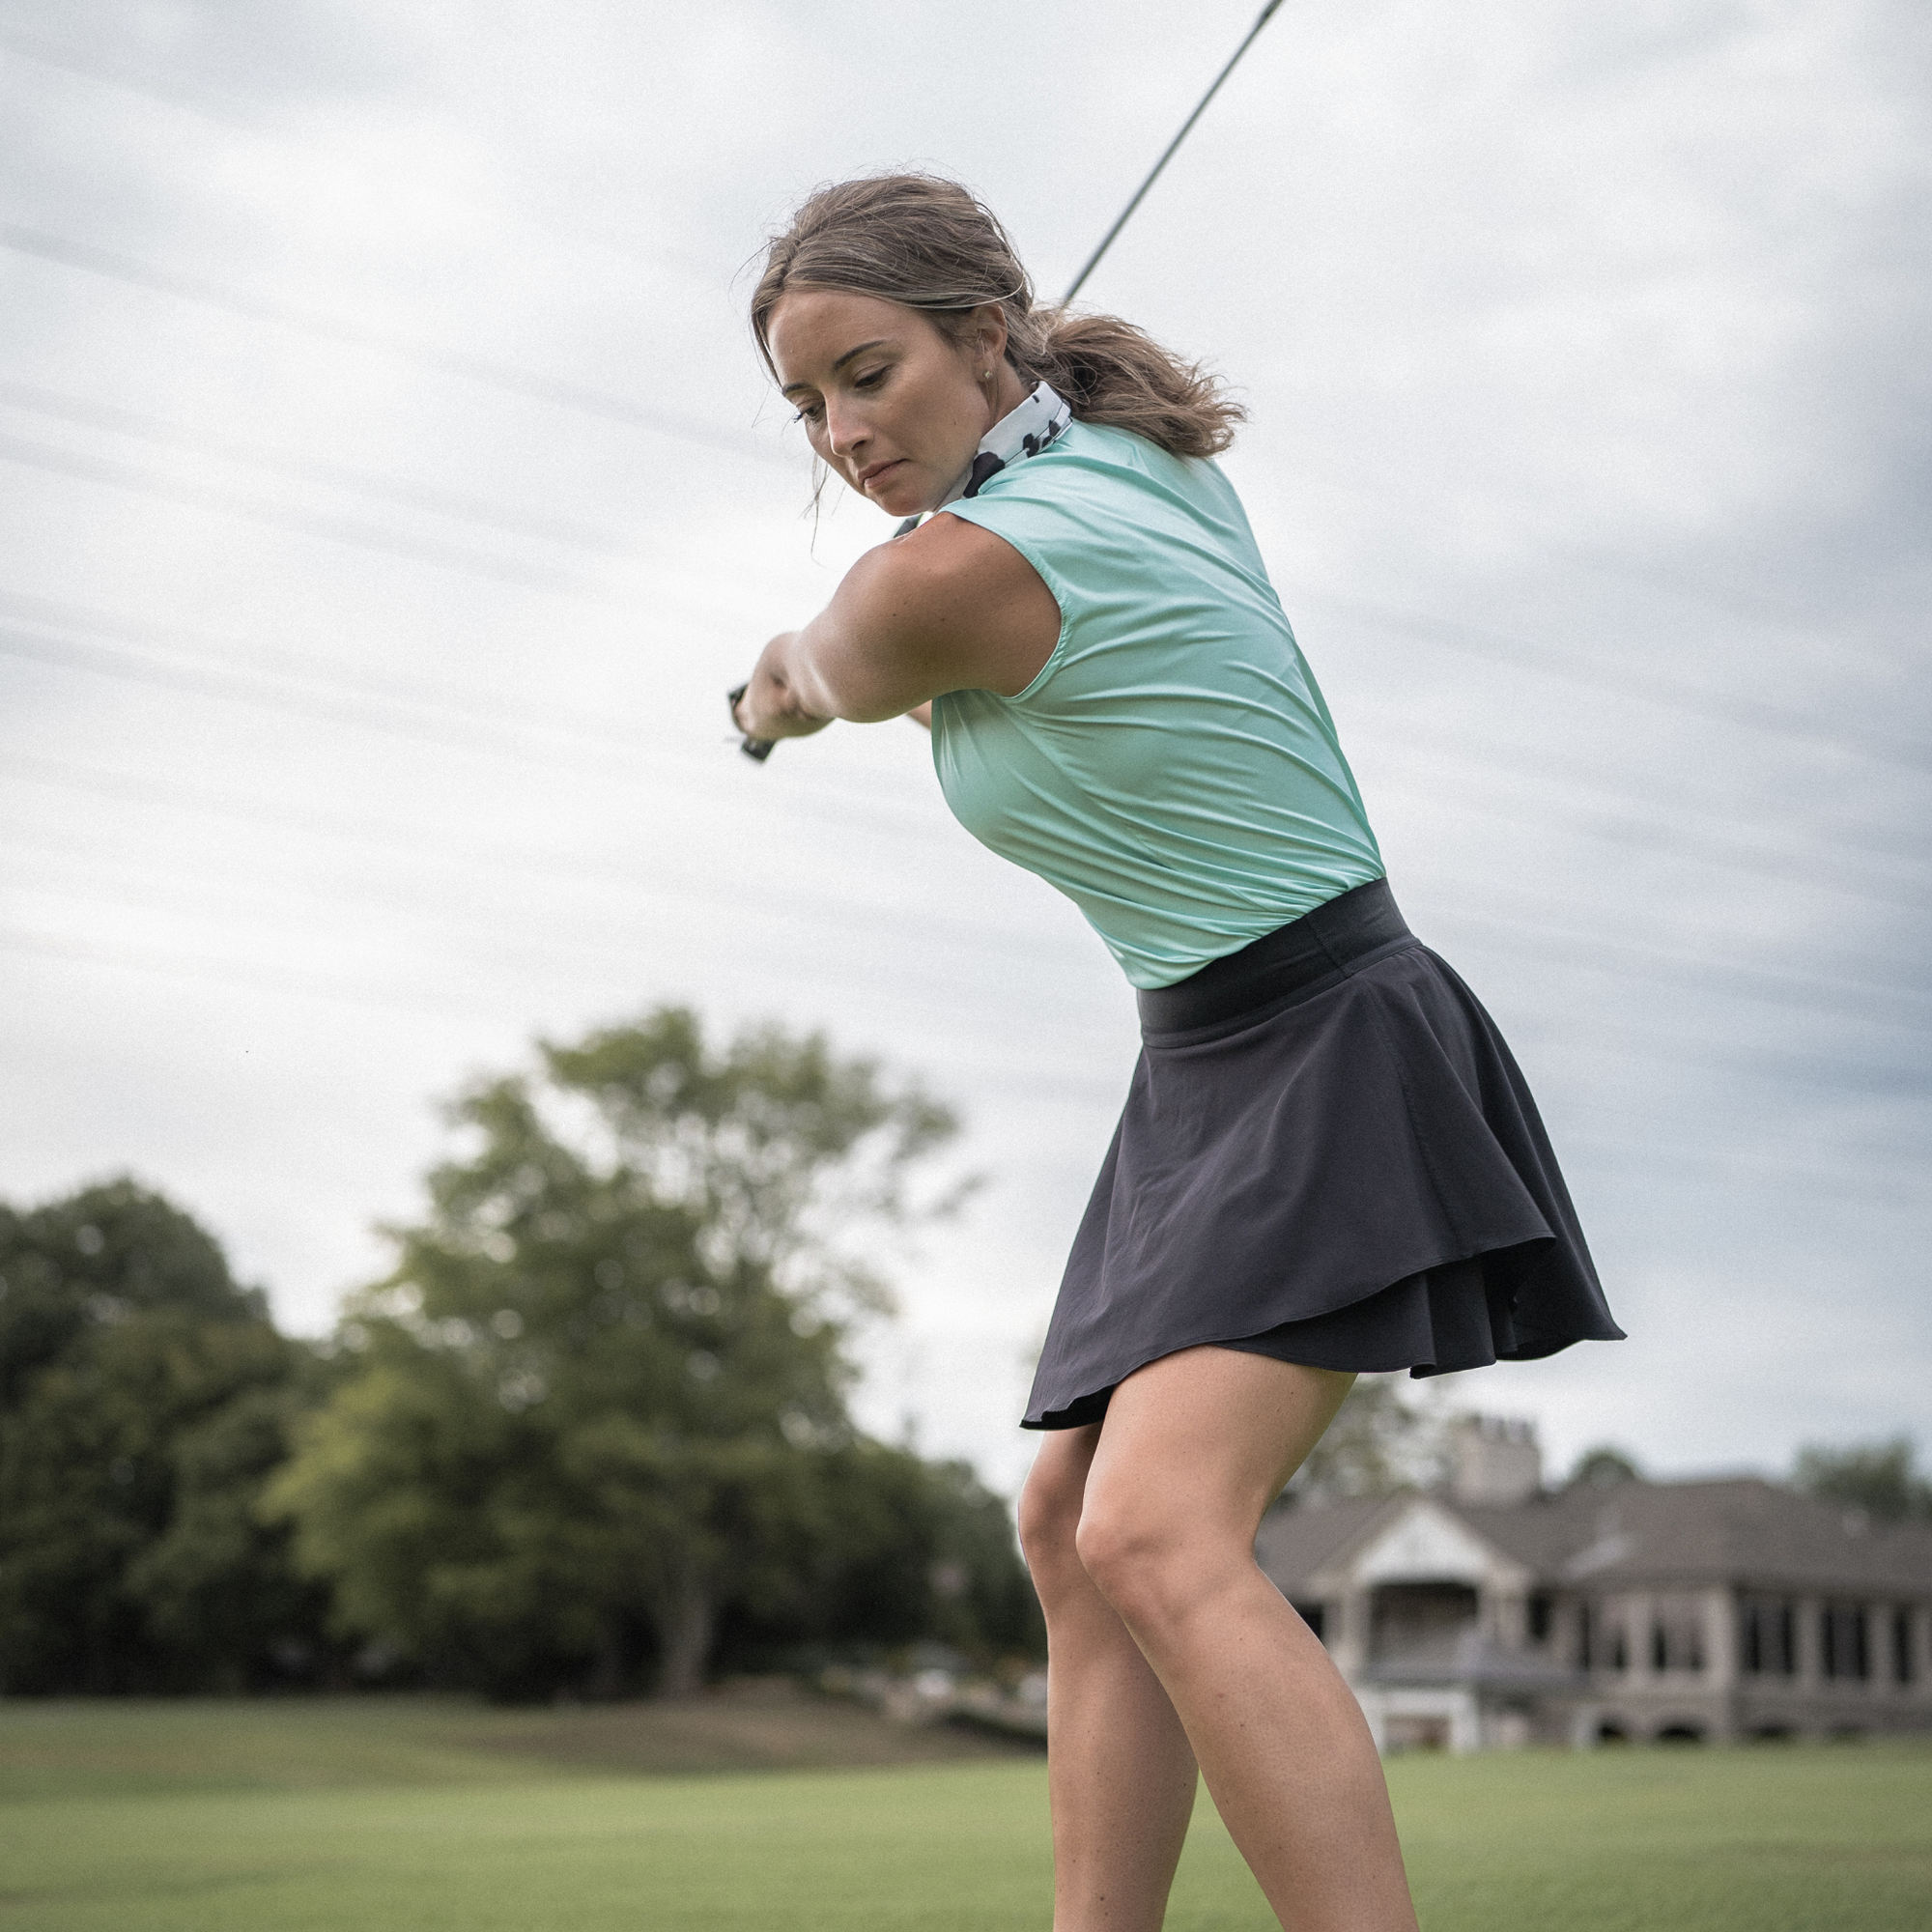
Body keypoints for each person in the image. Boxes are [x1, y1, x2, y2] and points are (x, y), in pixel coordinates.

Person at [731, 174, 1623, 1932]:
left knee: (1152, 1530)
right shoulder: (1139, 468)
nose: (841, 431)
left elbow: (828, 662)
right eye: (806, 404)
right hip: (1205, 1058)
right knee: (1068, 1525)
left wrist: (760, 701)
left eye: (869, 373)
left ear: (987, 338)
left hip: (1329, 1038)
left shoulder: (968, 567)